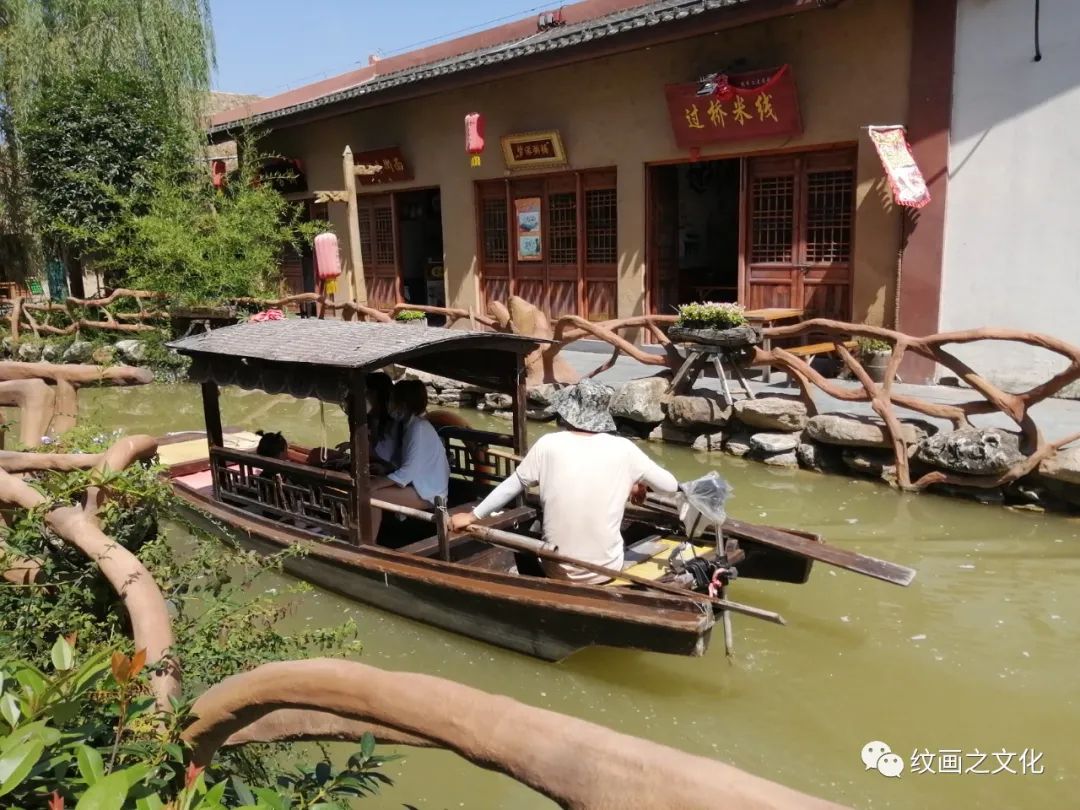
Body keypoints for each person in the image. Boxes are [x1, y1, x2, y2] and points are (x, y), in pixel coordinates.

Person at [450, 380, 678, 584]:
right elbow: (669, 486)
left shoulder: (548, 444)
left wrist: (472, 516)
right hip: (605, 571)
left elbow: (512, 485)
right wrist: (639, 482)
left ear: (569, 413)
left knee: (523, 544)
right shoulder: (624, 449)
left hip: (556, 570)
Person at [368, 379, 450, 539]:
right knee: (373, 487)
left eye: (392, 400)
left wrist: (376, 483)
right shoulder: (409, 426)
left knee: (371, 495)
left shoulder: (418, 428)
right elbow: (407, 463)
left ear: (403, 404)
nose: (389, 404)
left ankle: (369, 543)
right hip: (417, 486)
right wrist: (385, 470)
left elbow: (408, 473)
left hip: (429, 493)